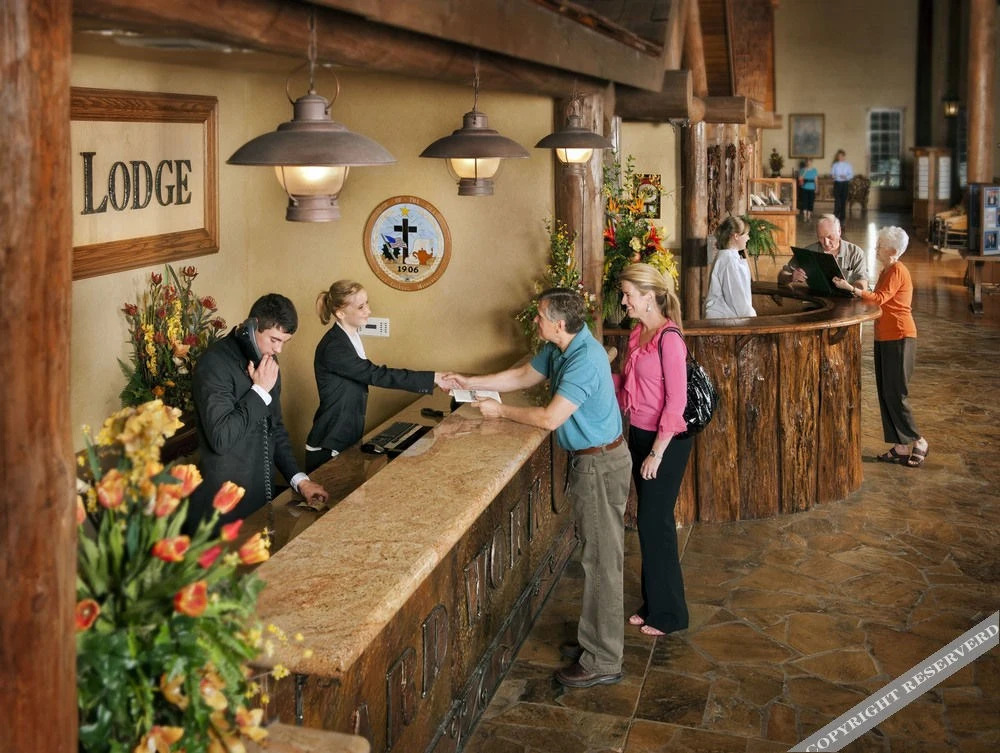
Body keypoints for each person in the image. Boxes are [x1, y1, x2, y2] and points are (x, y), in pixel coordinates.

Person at [444, 288, 632, 689]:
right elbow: (522, 376)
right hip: (593, 461)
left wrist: (500, 411)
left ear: (559, 324)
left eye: (540, 316)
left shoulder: (584, 359)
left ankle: (603, 659)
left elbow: (549, 418)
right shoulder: (562, 347)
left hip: (601, 466)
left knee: (601, 563)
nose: (535, 321)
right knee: (597, 558)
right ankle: (596, 643)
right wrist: (469, 381)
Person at [189, 293, 328, 529]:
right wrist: (260, 391)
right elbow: (221, 438)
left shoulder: (267, 361)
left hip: (260, 500)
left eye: (284, 342)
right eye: (274, 340)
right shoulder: (214, 364)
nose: (279, 349)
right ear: (251, 326)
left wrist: (300, 481)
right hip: (222, 509)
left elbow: (275, 429)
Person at [616, 264, 692, 637]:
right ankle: (653, 604)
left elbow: (676, 402)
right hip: (642, 435)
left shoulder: (669, 339)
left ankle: (670, 614)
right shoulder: (639, 334)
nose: (624, 300)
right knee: (648, 522)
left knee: (655, 522)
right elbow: (629, 385)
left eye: (628, 294)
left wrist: (657, 452)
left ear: (648, 296)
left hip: (667, 442)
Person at [305, 280, 446, 472]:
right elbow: (377, 374)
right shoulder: (335, 348)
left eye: (367, 304)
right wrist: (432, 378)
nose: (368, 311)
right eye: (361, 307)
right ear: (340, 313)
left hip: (346, 439)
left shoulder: (350, 337)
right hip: (329, 445)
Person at [832, 226, 929, 467]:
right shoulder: (887, 270)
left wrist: (851, 288)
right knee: (886, 392)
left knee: (896, 393)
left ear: (893, 251)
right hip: (884, 335)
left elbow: (879, 298)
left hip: (900, 335)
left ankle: (918, 441)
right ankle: (901, 446)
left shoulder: (898, 271)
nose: (875, 249)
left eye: (880, 246)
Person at [778, 214, 869, 291]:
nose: (826, 243)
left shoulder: (855, 253)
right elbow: (782, 276)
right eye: (821, 238)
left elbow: (863, 285)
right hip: (819, 298)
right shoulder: (808, 252)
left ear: (839, 231)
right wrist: (791, 277)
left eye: (830, 237)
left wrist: (849, 287)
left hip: (849, 301)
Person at [704, 215, 757, 319]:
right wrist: (752, 320)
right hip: (725, 319)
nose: (748, 238)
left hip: (730, 317)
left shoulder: (732, 256)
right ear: (736, 236)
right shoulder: (729, 261)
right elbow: (737, 299)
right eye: (746, 234)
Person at [831, 149, 853, 225]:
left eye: (841, 156)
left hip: (845, 184)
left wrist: (846, 176)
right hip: (837, 183)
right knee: (837, 200)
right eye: (839, 156)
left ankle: (842, 218)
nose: (840, 157)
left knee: (843, 201)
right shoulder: (835, 165)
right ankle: (835, 216)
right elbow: (832, 174)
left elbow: (851, 175)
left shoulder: (848, 165)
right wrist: (833, 176)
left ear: (844, 156)